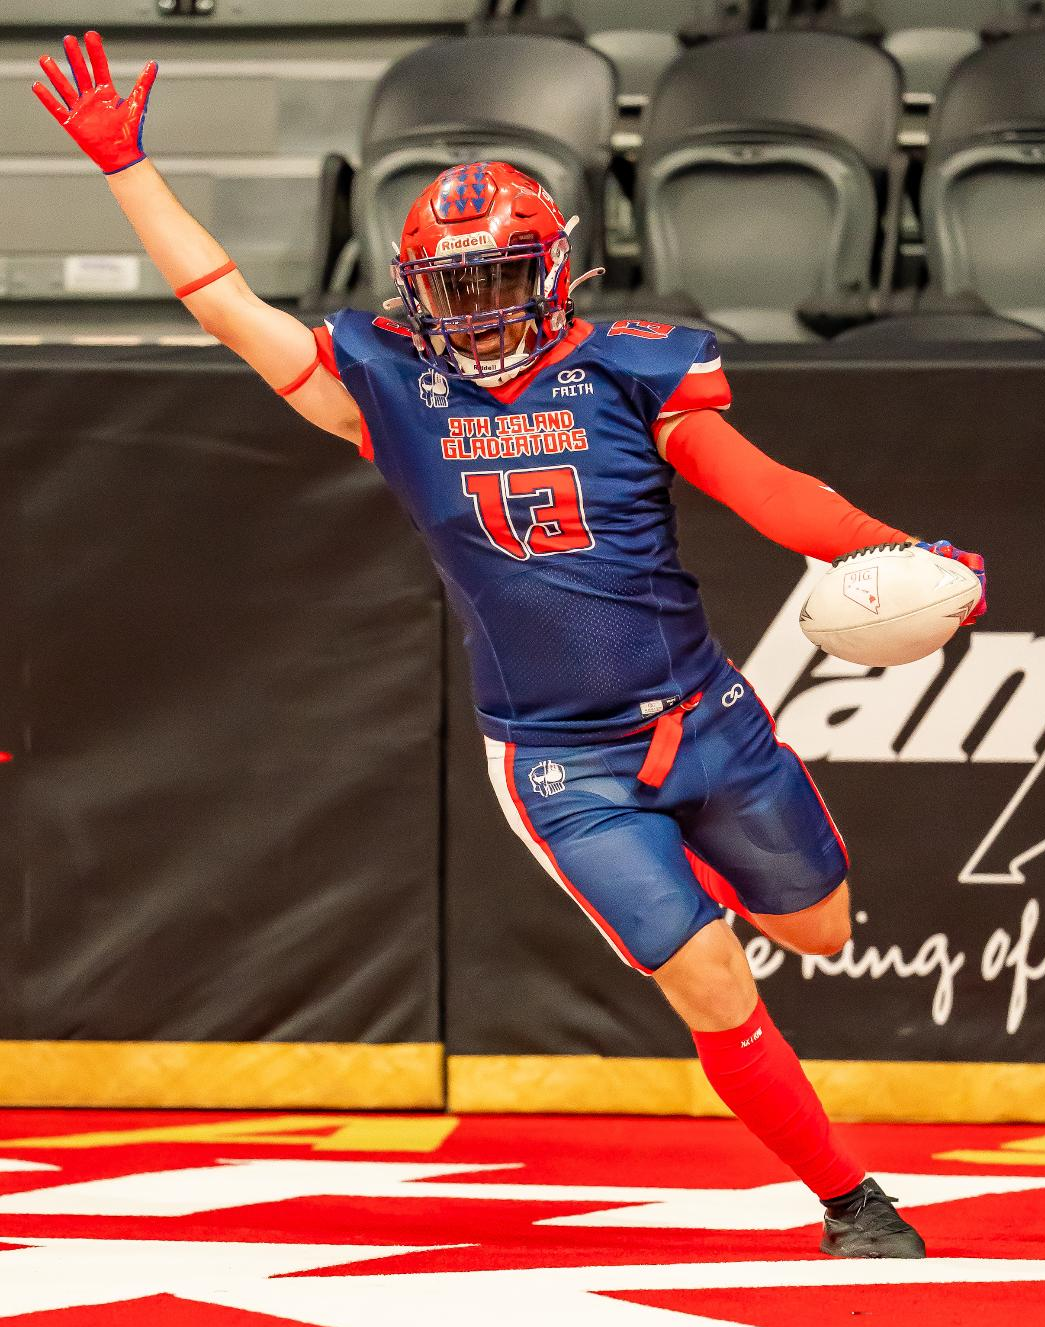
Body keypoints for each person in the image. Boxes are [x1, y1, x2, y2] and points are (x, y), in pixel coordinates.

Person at [34, 32, 987, 1259]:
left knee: (823, 931)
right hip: (558, 762)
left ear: (556, 275)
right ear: (413, 291)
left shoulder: (632, 372)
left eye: (499, 282)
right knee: (709, 978)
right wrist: (126, 169)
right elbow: (227, 304)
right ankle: (851, 1201)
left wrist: (898, 551)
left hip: (707, 716)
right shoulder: (388, 386)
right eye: (454, 287)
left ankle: (707, 870)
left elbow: (763, 490)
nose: (477, 311)